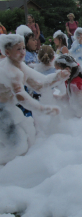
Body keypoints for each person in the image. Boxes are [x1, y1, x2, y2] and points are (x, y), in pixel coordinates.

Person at [0, 34, 70, 165]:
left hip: (9, 110)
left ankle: (16, 174)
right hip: (2, 112)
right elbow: (21, 97)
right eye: (18, 49)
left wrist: (57, 77)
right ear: (7, 52)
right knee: (18, 146)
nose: (22, 52)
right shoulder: (10, 71)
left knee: (28, 138)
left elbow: (39, 85)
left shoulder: (20, 66)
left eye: (23, 48)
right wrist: (43, 109)